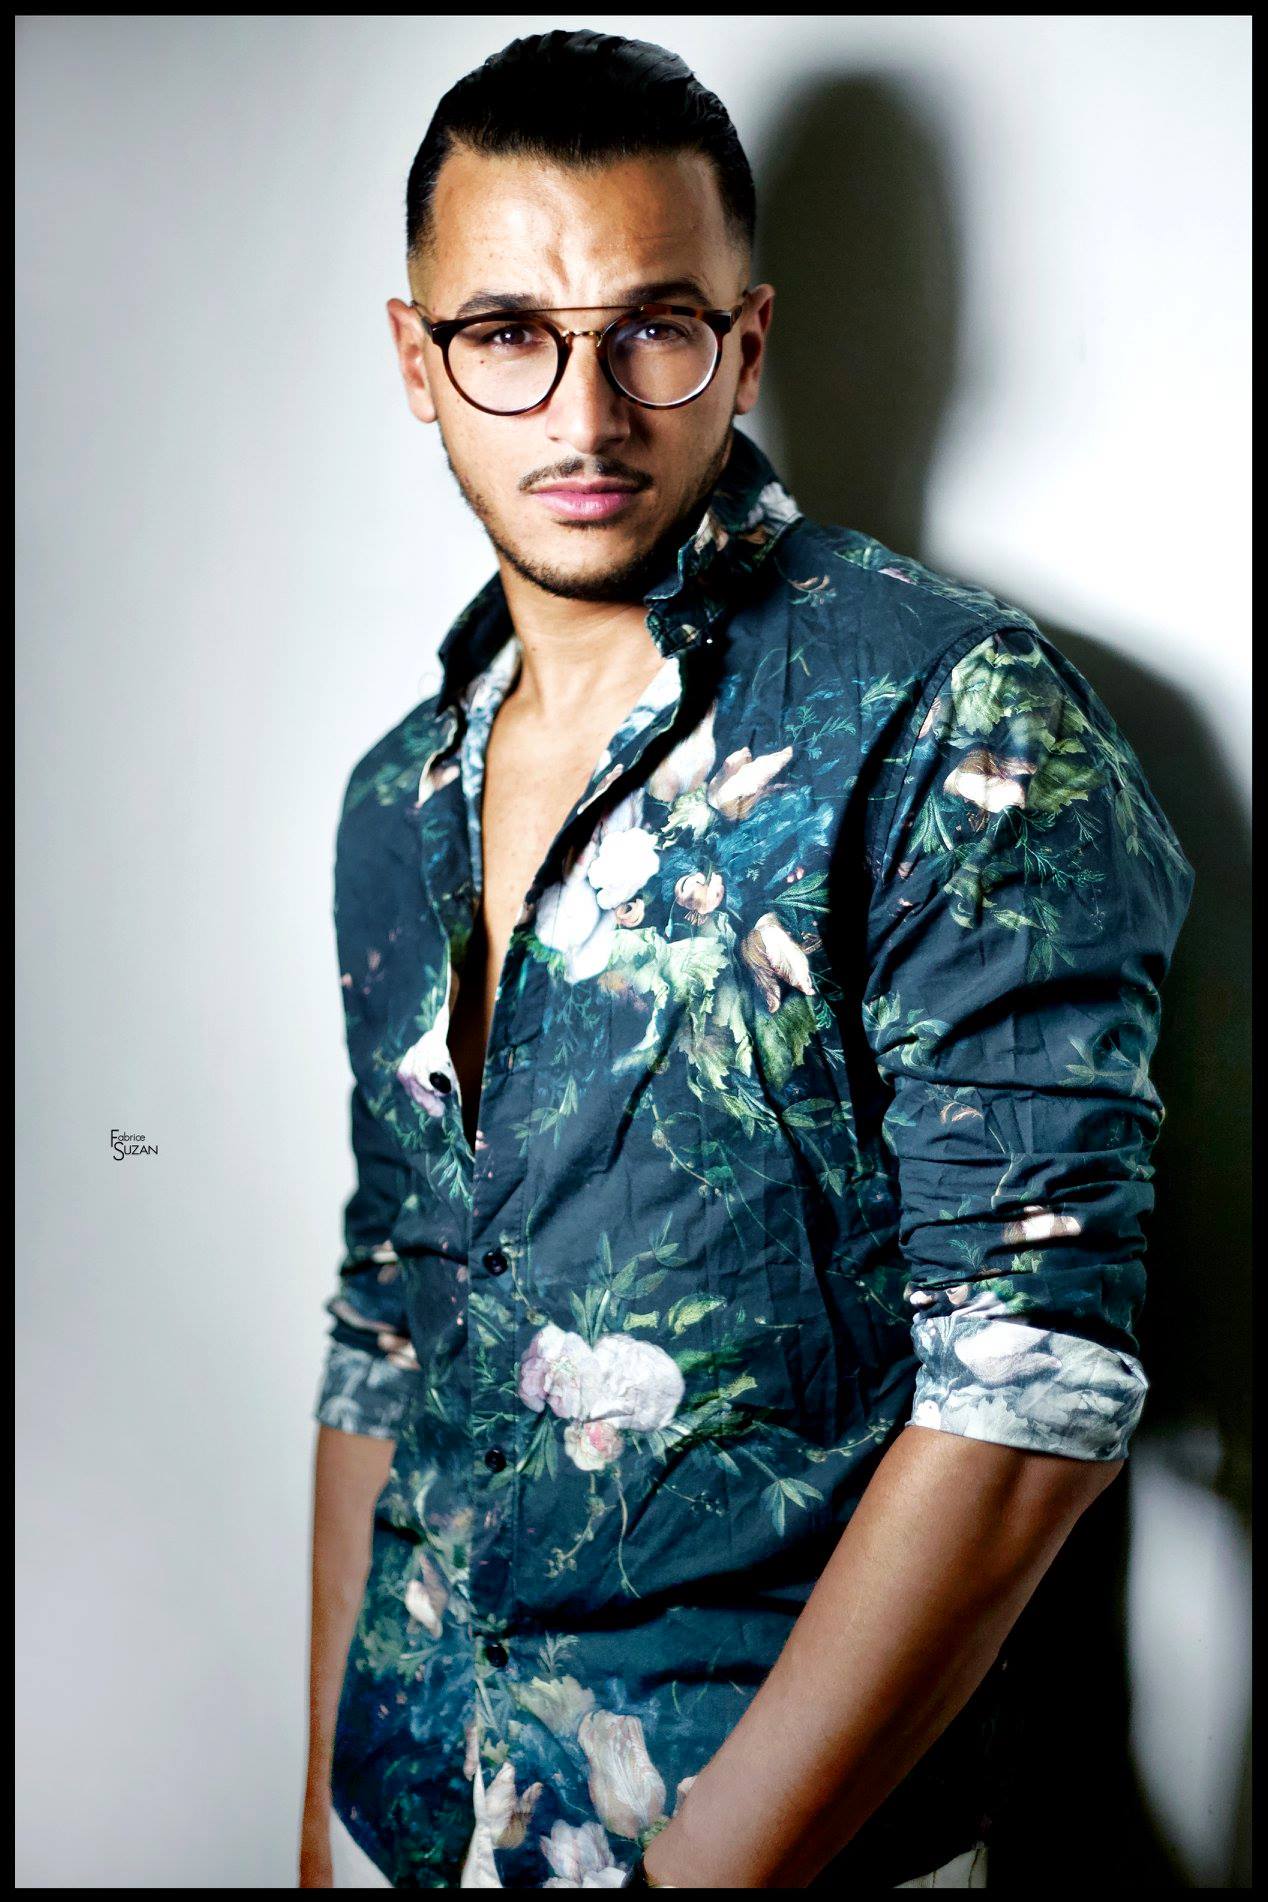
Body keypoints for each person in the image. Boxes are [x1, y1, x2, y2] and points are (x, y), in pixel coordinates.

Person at [299, 30, 1193, 1891]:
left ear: (750, 341)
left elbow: (1031, 1395)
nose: (585, 412)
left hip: (774, 1847)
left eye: (655, 329)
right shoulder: (399, 796)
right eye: (508, 334)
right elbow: (384, 1333)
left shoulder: (951, 720)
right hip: (417, 1809)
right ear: (417, 358)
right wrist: (323, 1832)